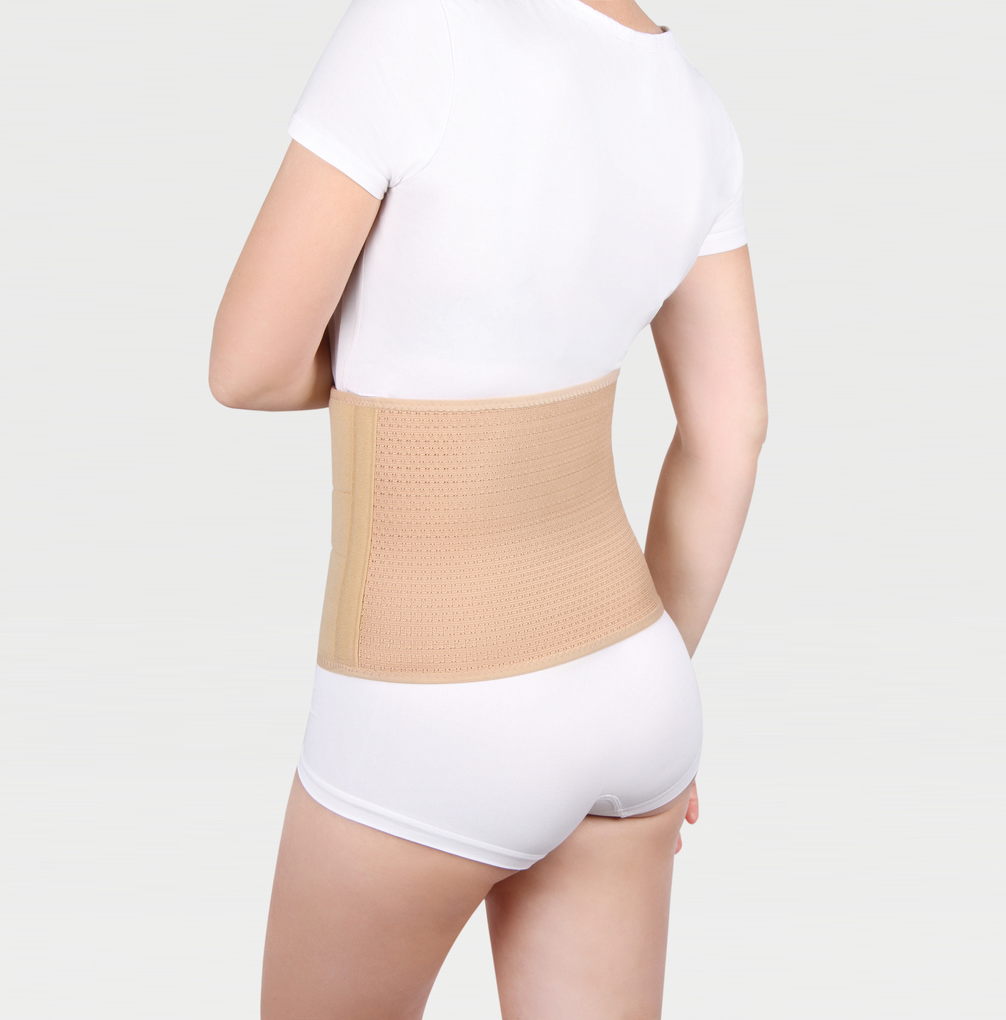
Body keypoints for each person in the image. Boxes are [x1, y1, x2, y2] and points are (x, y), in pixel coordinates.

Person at [210, 0, 767, 1014]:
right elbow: (732, 433)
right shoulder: (693, 107)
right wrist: (647, 692)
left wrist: (392, 358)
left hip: (429, 701)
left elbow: (248, 365)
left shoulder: (415, 28)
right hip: (637, 686)